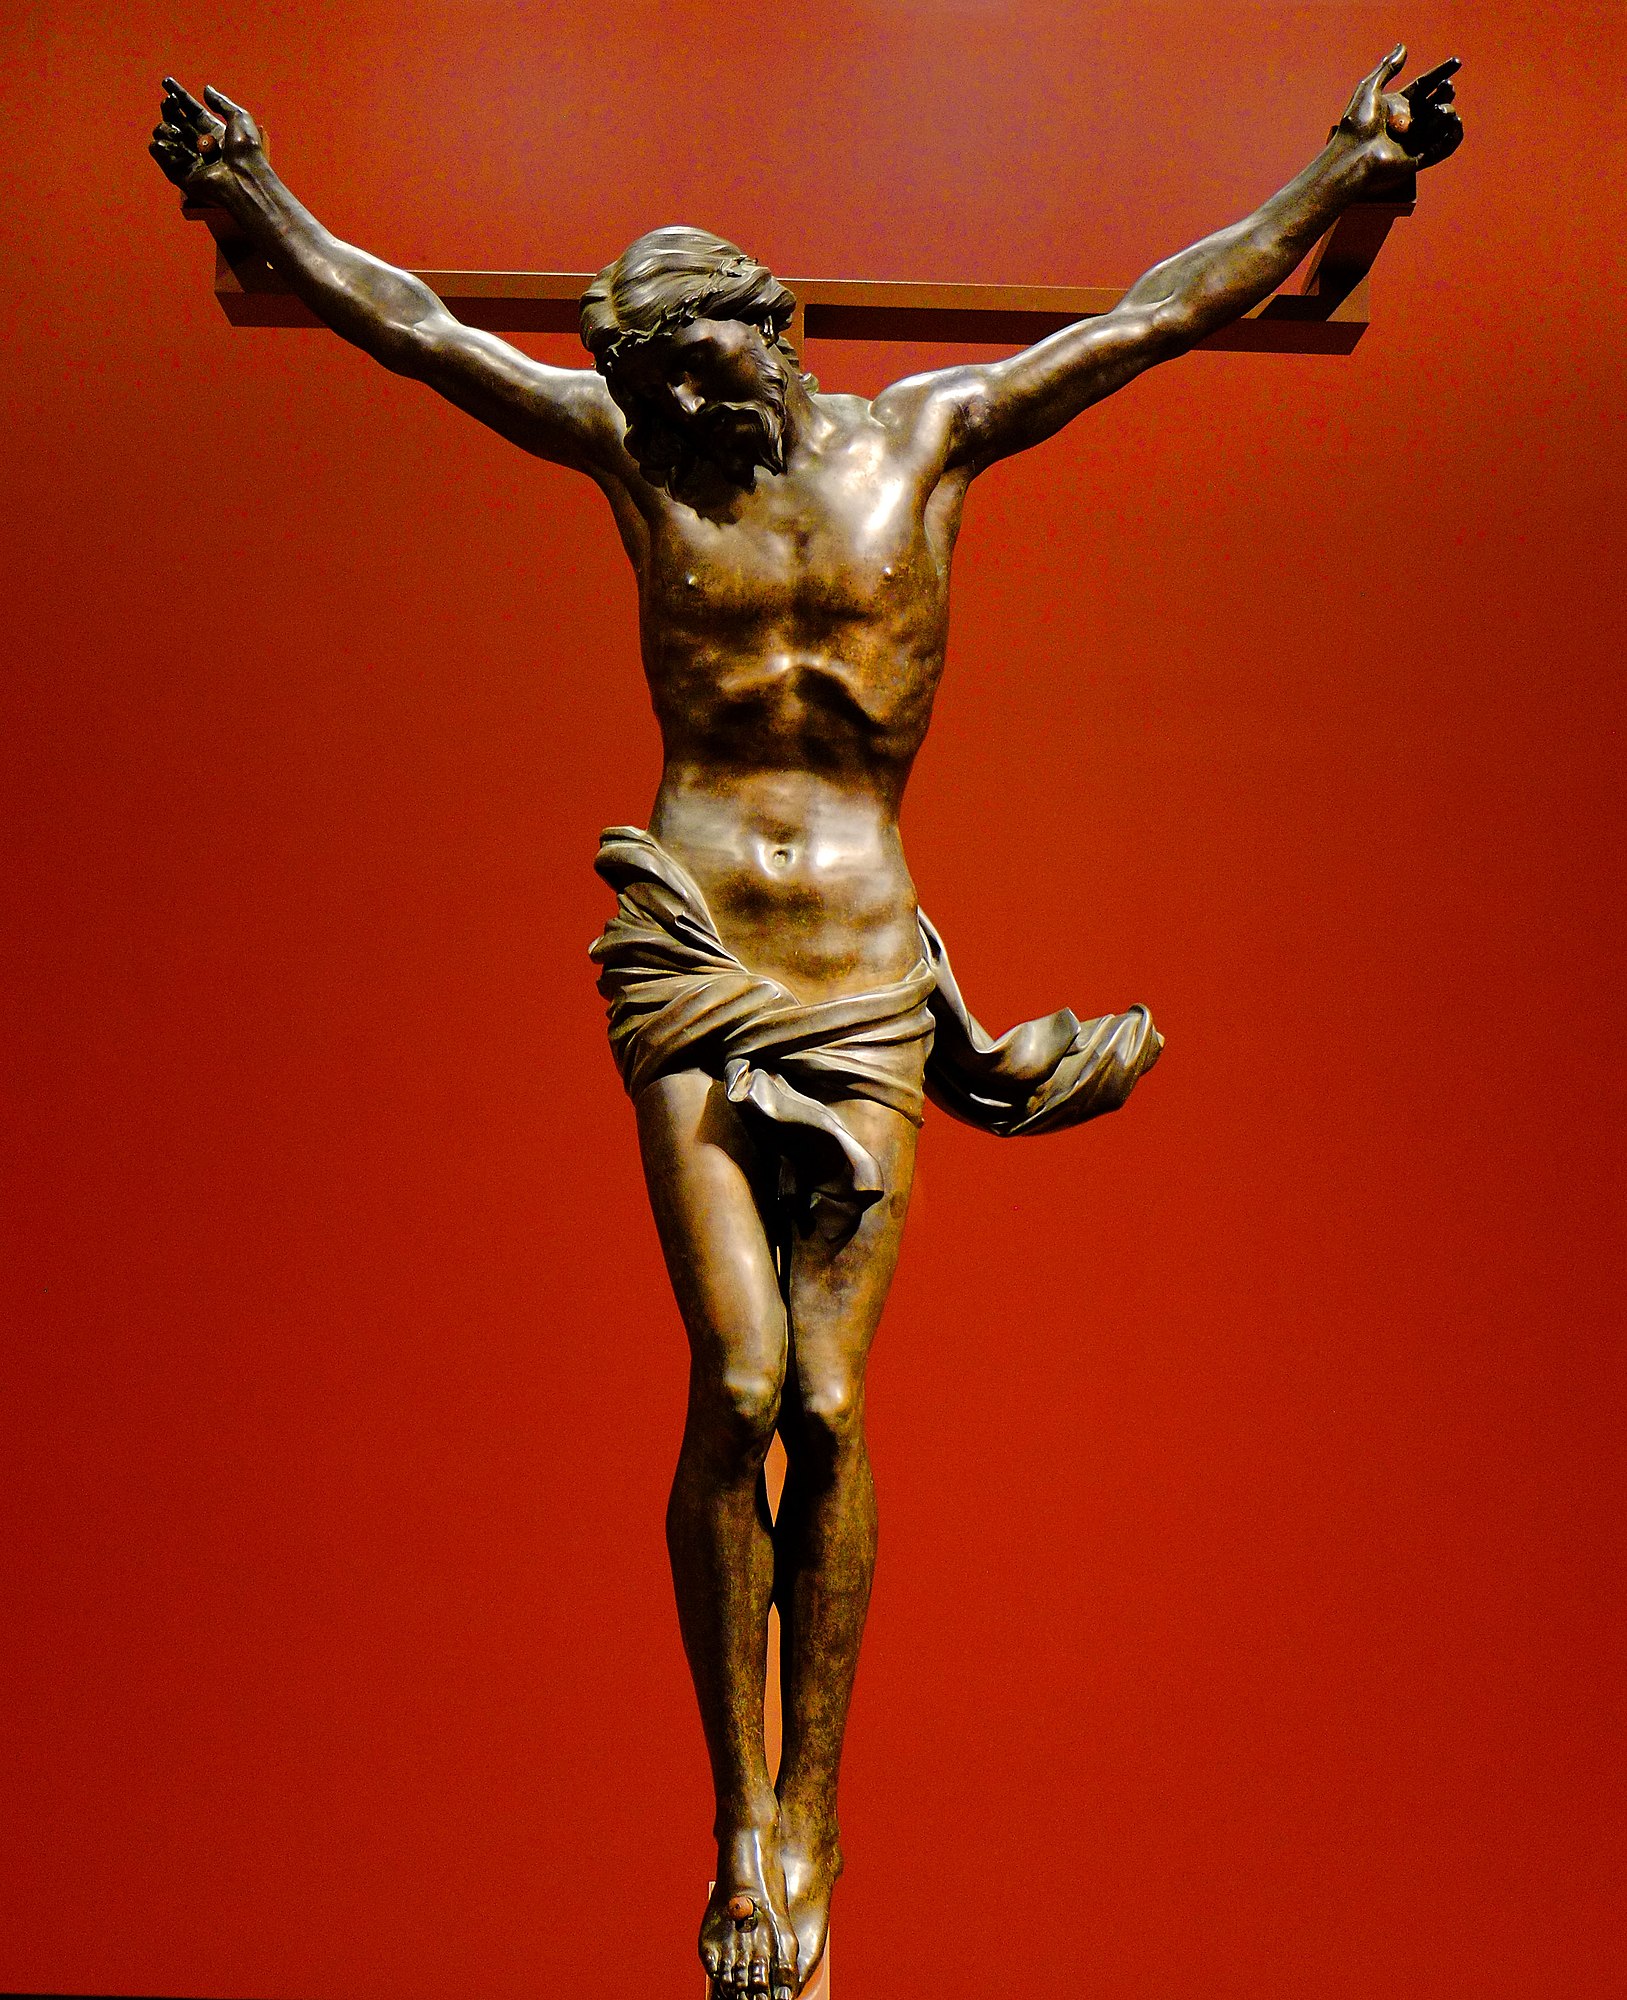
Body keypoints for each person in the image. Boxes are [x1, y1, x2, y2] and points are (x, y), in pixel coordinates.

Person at [149, 48, 1462, 1999]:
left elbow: (1159, 312)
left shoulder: (928, 439)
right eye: (646, 394)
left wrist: (1340, 173)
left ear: (761, 324)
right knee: (743, 1376)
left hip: (858, 967)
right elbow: (419, 329)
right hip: (689, 946)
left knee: (834, 1405)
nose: (677, 416)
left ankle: (816, 1814)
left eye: (694, 375)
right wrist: (259, 206)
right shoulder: (634, 456)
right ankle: (735, 1823)